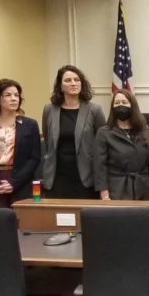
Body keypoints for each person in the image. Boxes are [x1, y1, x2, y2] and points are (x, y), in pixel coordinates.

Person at [41, 65, 105, 199]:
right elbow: (48, 142)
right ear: (60, 86)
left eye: (77, 80)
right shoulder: (49, 109)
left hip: (85, 177)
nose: (73, 83)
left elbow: (101, 145)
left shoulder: (94, 110)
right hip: (56, 176)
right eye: (68, 80)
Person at [0, 79, 41, 208]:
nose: (13, 99)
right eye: (8, 95)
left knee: (21, 224)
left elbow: (34, 158)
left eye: (16, 95)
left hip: (21, 181)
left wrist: (14, 182)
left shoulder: (30, 125)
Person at [94, 89, 149, 201]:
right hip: (117, 189)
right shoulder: (104, 132)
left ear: (132, 105)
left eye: (124, 102)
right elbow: (99, 166)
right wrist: (104, 194)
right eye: (117, 103)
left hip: (143, 188)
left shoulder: (146, 131)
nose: (120, 106)